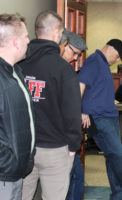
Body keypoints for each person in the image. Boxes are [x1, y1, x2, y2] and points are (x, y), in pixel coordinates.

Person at [19, 10, 82, 200]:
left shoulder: (19, 65)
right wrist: (73, 145)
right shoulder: (64, 70)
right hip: (55, 150)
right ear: (57, 33)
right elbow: (72, 113)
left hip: (25, 147)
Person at [79, 38, 122, 200]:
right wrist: (81, 111)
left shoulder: (102, 64)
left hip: (110, 116)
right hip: (98, 118)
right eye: (117, 57)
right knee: (118, 153)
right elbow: (80, 85)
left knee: (111, 156)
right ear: (111, 49)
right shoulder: (93, 61)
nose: (116, 61)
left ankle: (117, 195)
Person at [0, 13, 35, 200]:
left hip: (16, 172)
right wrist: (10, 164)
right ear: (15, 41)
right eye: (26, 36)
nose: (29, 41)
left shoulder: (16, 72)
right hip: (4, 176)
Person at [60, 30, 88, 200]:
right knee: (75, 178)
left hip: (57, 139)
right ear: (63, 45)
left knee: (75, 178)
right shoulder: (64, 71)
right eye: (75, 53)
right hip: (59, 140)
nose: (76, 58)